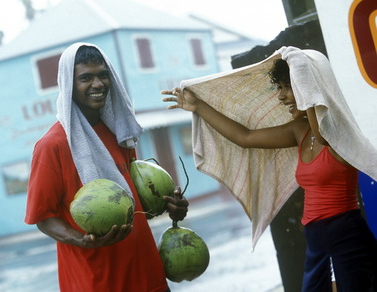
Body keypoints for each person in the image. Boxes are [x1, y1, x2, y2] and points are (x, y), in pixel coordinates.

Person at [162, 46, 377, 292]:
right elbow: (245, 137)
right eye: (281, 88)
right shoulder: (300, 131)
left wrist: (297, 61)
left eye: (288, 87)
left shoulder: (338, 134)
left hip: (346, 235)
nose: (282, 96)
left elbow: (323, 129)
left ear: (308, 87)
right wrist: (198, 106)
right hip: (316, 239)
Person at [25, 42, 188, 292]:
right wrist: (83, 240)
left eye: (103, 74)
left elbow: (133, 201)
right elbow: (43, 217)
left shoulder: (118, 133)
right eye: (86, 78)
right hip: (96, 281)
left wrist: (168, 206)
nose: (98, 84)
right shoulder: (52, 145)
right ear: (69, 85)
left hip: (147, 275)